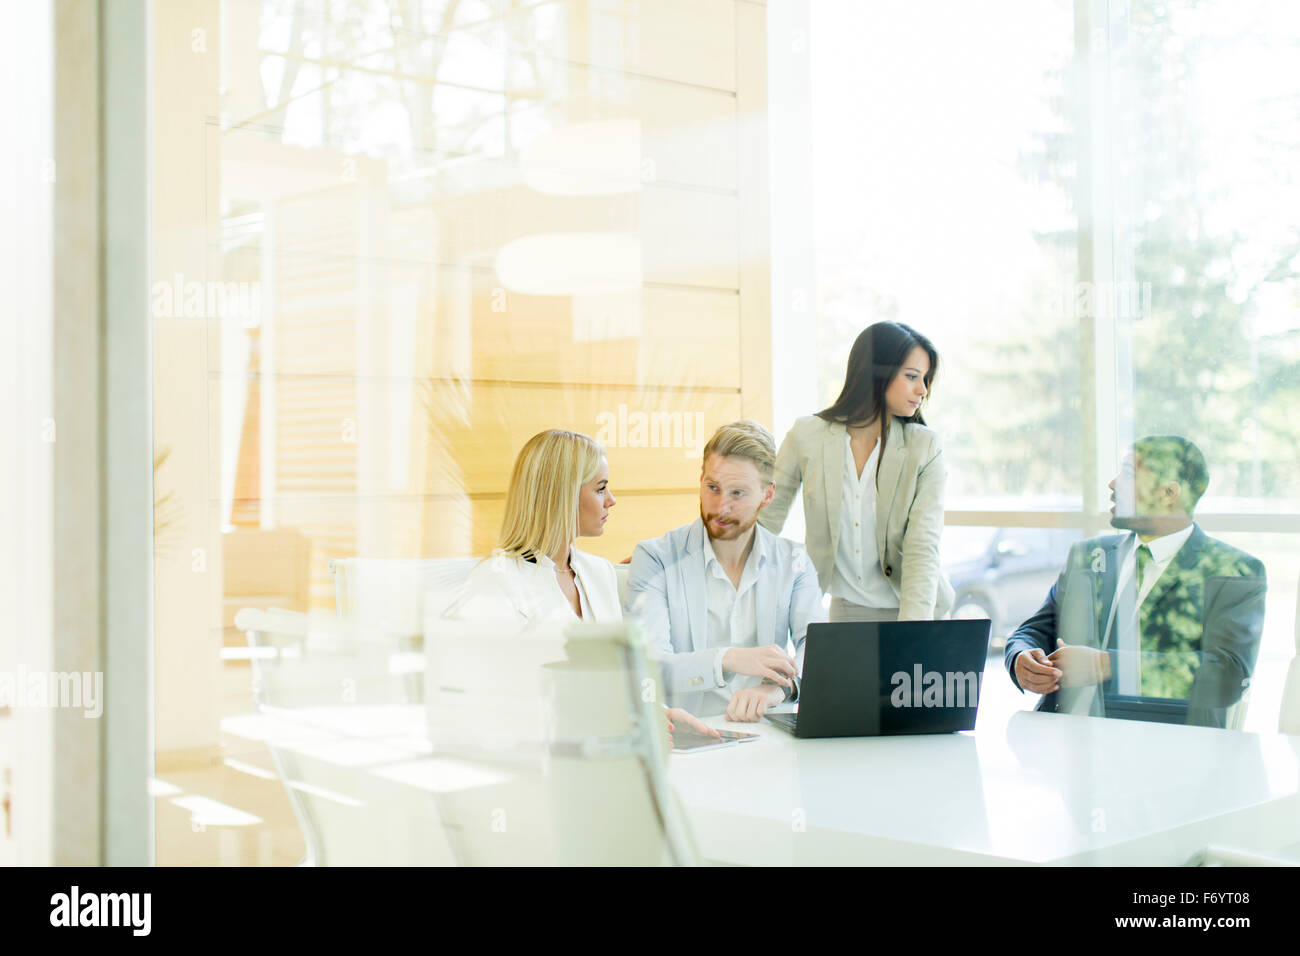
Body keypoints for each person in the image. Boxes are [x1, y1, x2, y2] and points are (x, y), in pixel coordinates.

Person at [450, 428, 718, 739]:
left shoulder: (599, 573)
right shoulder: (495, 582)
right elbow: (487, 707)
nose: (612, 501)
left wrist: (656, 714)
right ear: (561, 494)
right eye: (601, 488)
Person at [1004, 436, 1266, 728]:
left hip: (1167, 748)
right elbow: (1033, 630)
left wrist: (1107, 664)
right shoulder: (1089, 555)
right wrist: (1020, 658)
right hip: (1059, 741)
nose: (1113, 484)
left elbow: (1228, 675)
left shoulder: (1234, 570)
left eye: (1129, 474)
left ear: (1168, 492)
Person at [625, 421, 826, 722]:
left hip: (769, 738)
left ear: (767, 495)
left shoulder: (793, 561)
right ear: (701, 479)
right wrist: (728, 659)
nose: (720, 507)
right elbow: (649, 666)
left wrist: (779, 689)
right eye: (713, 488)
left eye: (738, 493)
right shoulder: (655, 558)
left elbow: (820, 649)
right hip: (689, 739)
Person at [760, 321, 954, 622]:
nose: (923, 390)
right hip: (845, 611)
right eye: (912, 376)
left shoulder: (925, 447)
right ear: (876, 372)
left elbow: (922, 549)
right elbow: (765, 519)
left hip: (913, 610)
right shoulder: (807, 435)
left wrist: (913, 635)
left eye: (925, 378)